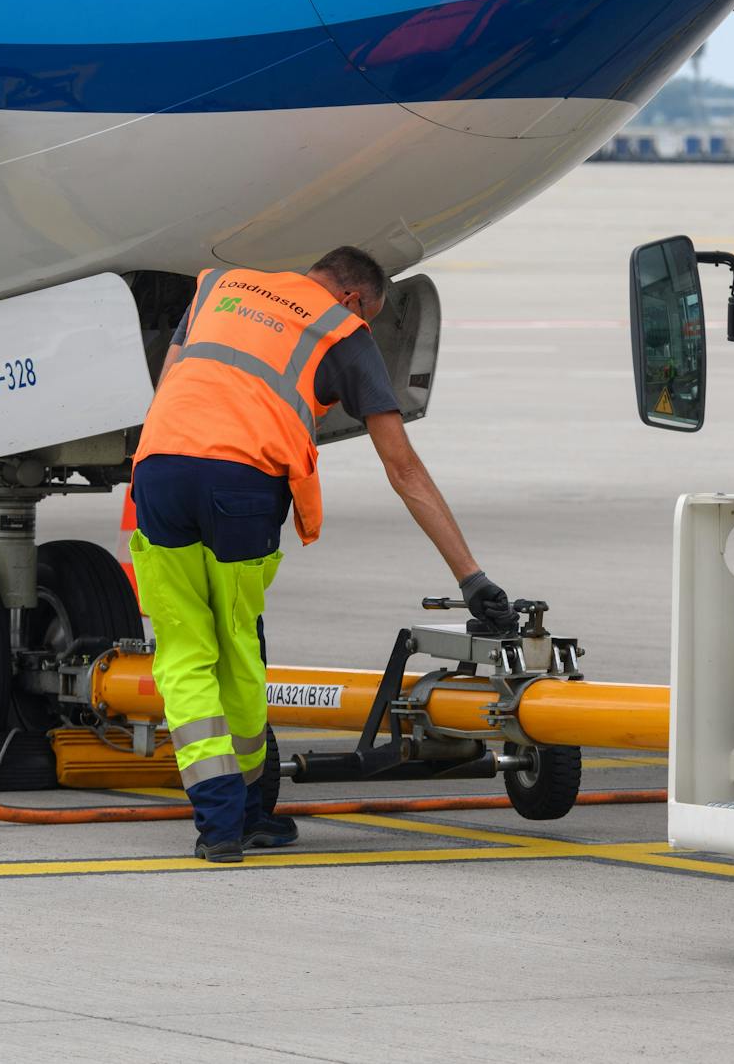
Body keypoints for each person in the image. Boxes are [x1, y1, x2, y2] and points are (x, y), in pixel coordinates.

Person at [130, 246, 519, 863]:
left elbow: (169, 381)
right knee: (236, 644)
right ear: (354, 300)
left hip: (160, 468)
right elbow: (403, 467)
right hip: (242, 483)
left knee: (184, 650)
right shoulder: (343, 330)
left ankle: (223, 823)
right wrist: (471, 577)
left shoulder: (219, 285)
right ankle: (246, 817)